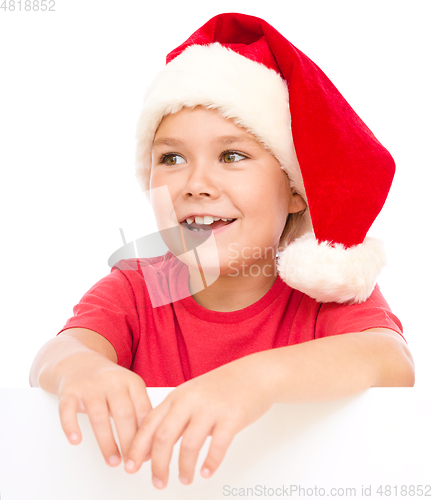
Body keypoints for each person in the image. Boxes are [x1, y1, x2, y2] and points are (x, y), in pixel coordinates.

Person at [29, 12, 415, 490]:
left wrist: (256, 380)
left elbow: (392, 362)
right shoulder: (140, 286)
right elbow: (56, 354)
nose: (196, 184)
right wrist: (80, 368)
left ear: (295, 188)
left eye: (232, 155)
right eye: (171, 157)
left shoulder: (322, 291)